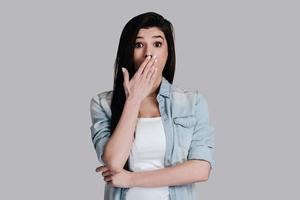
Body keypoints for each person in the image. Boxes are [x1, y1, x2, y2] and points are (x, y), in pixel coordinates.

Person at [89, 11, 215, 200]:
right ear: (128, 51)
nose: (148, 53)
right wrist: (133, 100)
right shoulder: (102, 103)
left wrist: (131, 179)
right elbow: (114, 162)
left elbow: (200, 169)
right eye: (138, 44)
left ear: (168, 51)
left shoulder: (192, 103)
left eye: (157, 44)